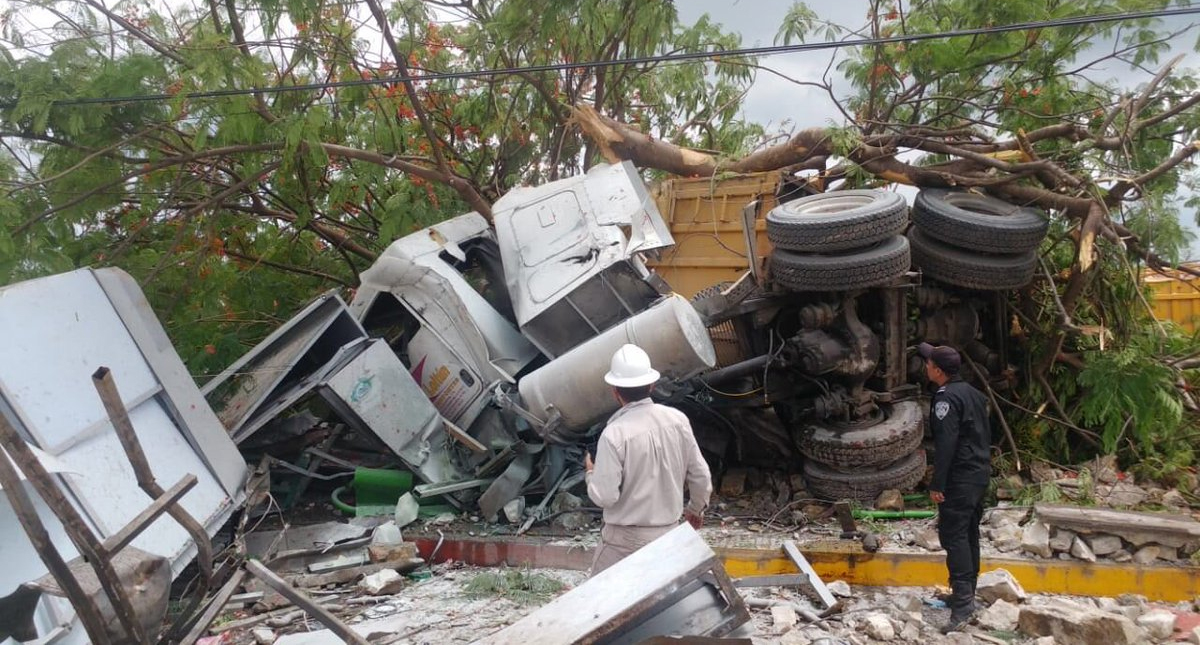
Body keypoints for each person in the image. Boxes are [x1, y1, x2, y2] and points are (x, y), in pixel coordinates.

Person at [584, 343, 713, 576]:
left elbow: (605, 496)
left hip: (622, 544)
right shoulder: (678, 420)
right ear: (652, 385)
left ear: (615, 391)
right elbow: (701, 476)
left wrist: (590, 474)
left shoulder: (614, 434)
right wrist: (695, 509)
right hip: (669, 537)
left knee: (599, 607)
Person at [918, 342, 992, 634]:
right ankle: (966, 593)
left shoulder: (945, 398)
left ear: (937, 370)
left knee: (954, 535)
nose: (925, 366)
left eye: (928, 363)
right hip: (979, 472)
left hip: (960, 476)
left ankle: (962, 606)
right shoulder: (974, 394)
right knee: (969, 531)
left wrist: (938, 483)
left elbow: (947, 444)